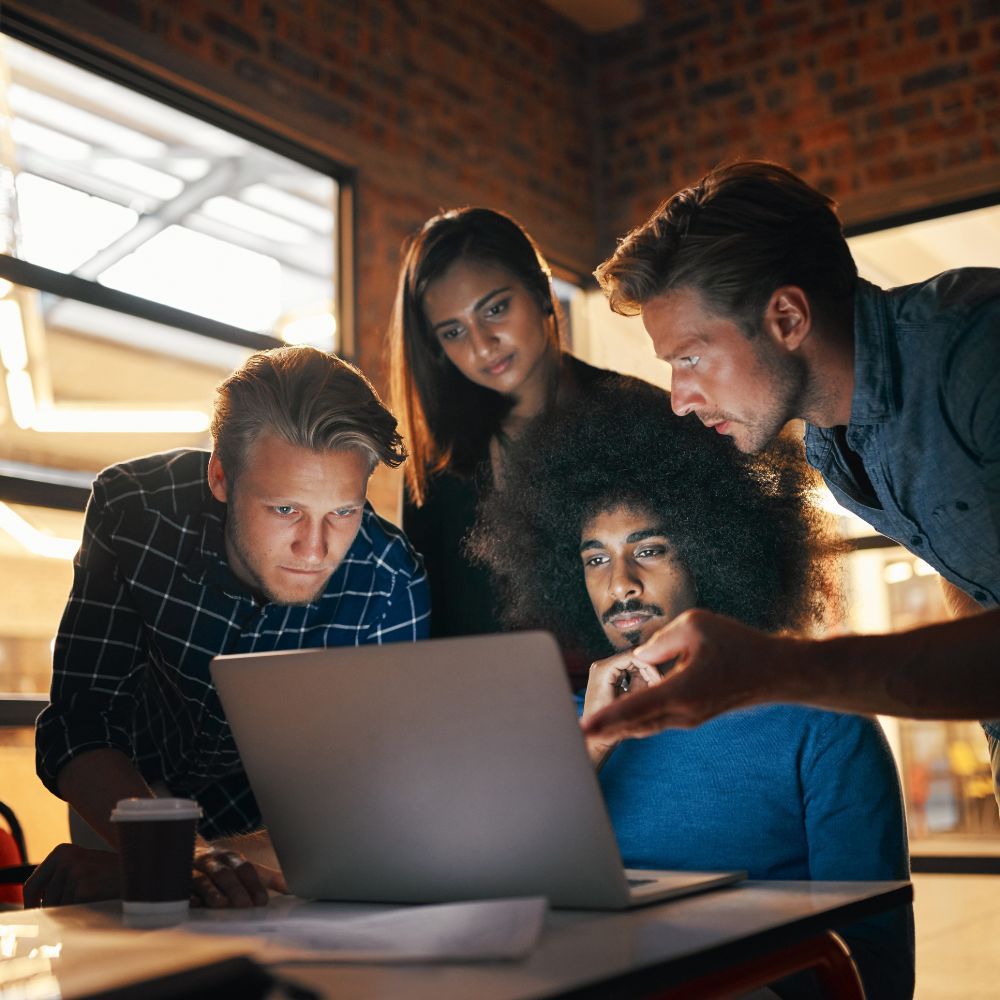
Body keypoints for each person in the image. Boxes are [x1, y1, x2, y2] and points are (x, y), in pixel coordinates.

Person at [471, 380, 914, 1000]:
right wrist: (589, 745)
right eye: (594, 559)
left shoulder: (823, 729)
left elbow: (876, 971)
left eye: (647, 549)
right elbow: (491, 908)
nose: (619, 583)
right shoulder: (562, 735)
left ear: (712, 552)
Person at [585, 159, 1000, 803]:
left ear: (786, 318)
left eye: (690, 357)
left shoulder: (977, 352)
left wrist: (775, 670)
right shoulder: (832, 447)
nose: (679, 398)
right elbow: (967, 562)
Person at [27, 346, 429, 909]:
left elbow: (365, 806)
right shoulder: (135, 508)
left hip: (282, 841)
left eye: (342, 512)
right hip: (125, 800)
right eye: (285, 510)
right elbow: (82, 721)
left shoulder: (390, 584)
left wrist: (165, 870)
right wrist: (169, 856)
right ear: (220, 474)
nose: (315, 551)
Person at [388, 206, 646, 654]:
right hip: (483, 713)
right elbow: (435, 634)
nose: (481, 344)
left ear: (541, 291)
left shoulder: (644, 417)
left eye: (495, 309)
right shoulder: (439, 469)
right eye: (452, 332)